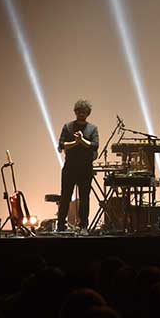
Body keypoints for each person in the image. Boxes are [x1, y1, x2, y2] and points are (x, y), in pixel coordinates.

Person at [57, 99, 99, 231]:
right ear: (75, 112)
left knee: (84, 198)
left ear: (88, 113)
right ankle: (60, 226)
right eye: (79, 111)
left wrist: (81, 140)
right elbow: (61, 146)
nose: (81, 114)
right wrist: (77, 142)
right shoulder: (68, 127)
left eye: (84, 112)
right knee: (65, 197)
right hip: (70, 168)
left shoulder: (92, 129)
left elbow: (95, 146)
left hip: (85, 169)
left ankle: (84, 226)